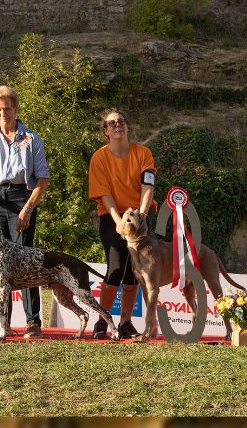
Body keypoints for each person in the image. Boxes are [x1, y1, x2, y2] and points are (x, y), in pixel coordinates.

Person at [0, 85, 50, 339]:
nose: (2, 113)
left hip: (21, 199)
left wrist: (28, 208)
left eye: (7, 108)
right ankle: (1, 324)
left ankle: (32, 322)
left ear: (15, 109)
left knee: (25, 259)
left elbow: (42, 179)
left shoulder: (32, 139)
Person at [87, 107, 157, 340]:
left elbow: (148, 187)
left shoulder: (143, 153)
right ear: (105, 130)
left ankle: (126, 323)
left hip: (140, 216)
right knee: (115, 268)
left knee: (134, 272)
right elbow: (104, 195)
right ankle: (101, 320)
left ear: (127, 126)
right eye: (112, 123)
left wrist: (142, 216)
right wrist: (119, 222)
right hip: (113, 217)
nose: (117, 125)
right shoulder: (99, 157)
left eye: (121, 121)